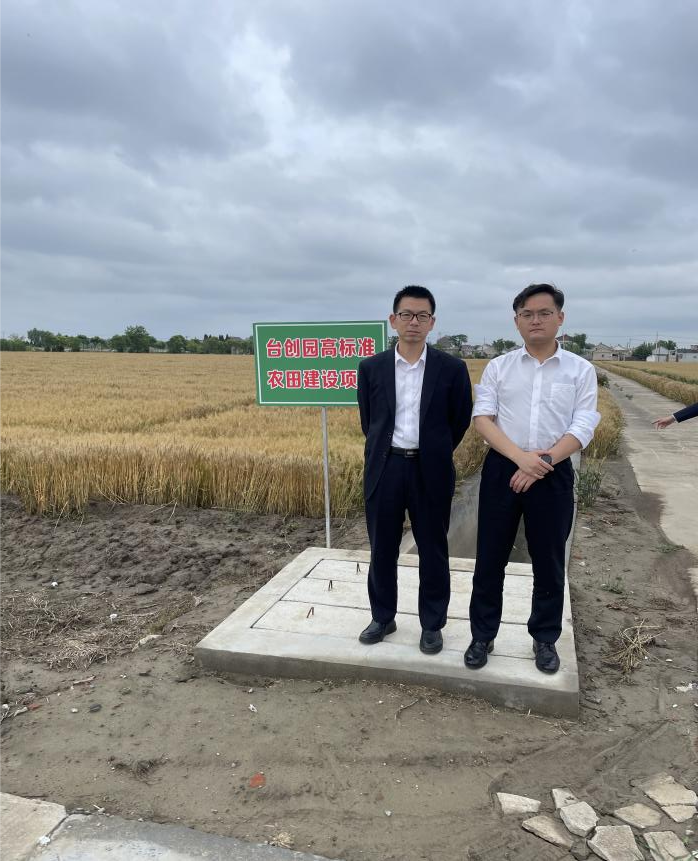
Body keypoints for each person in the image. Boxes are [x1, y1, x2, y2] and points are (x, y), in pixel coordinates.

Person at [465, 283, 600, 674]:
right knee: (489, 558)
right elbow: (483, 419)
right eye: (527, 314)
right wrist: (521, 459)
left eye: (544, 313)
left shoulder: (580, 370)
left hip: (553, 471)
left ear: (560, 317)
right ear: (516, 321)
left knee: (549, 560)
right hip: (503, 468)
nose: (535, 320)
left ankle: (544, 638)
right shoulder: (499, 367)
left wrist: (542, 461)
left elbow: (583, 425)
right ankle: (482, 635)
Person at [357, 285, 472, 654]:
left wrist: (435, 451)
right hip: (385, 468)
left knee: (433, 549)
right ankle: (382, 617)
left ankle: (432, 624)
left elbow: (459, 420)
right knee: (382, 548)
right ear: (393, 320)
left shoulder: (451, 369)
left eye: (422, 316)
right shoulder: (371, 367)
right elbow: (369, 421)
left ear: (432, 323)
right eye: (406, 314)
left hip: (430, 469)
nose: (414, 322)